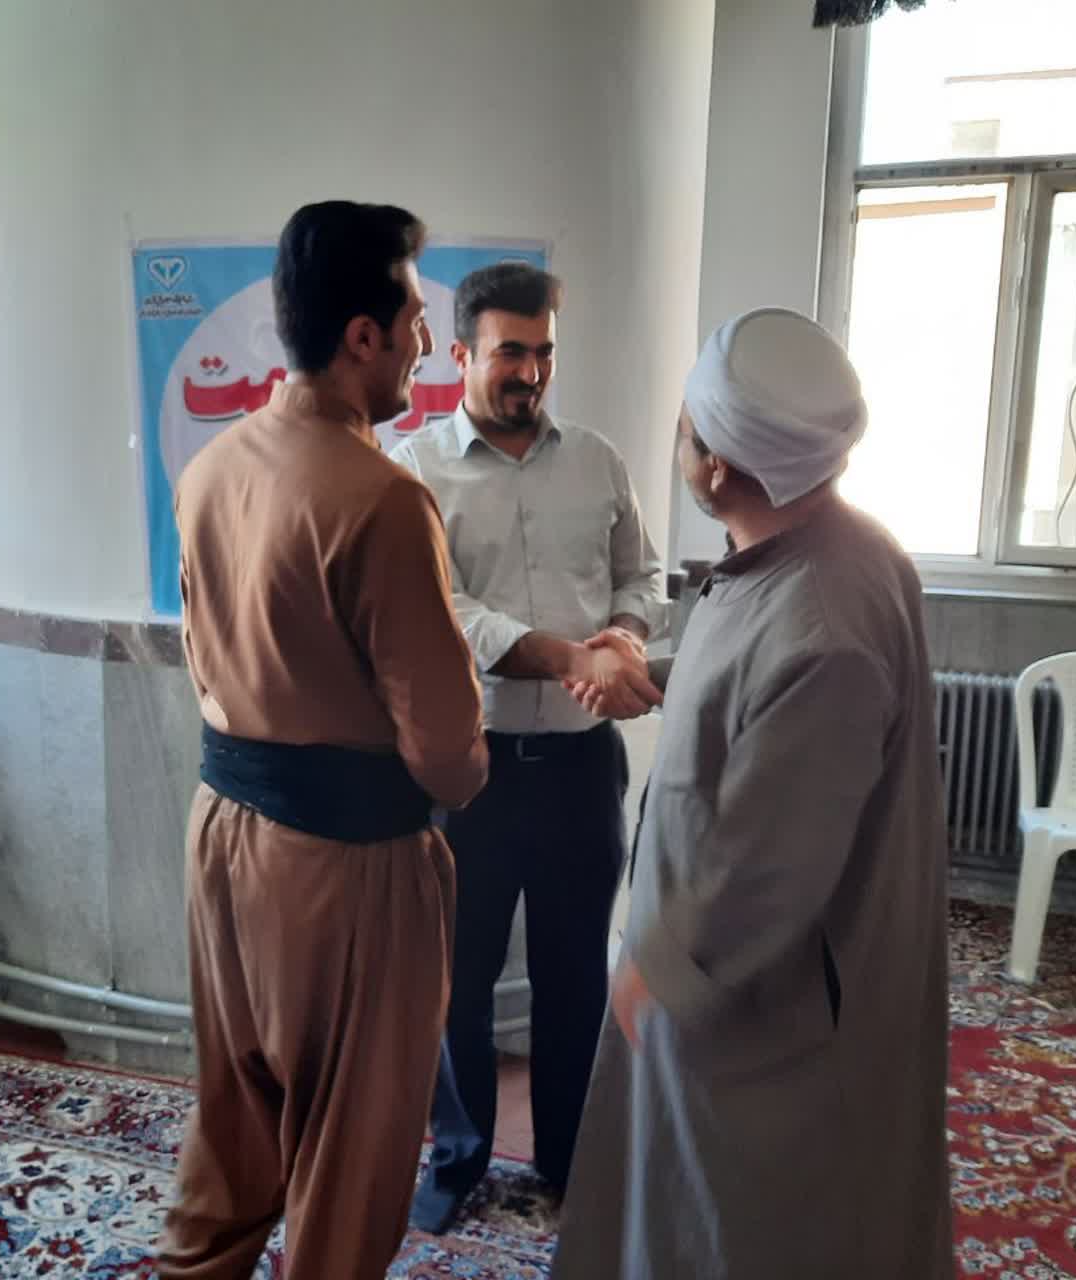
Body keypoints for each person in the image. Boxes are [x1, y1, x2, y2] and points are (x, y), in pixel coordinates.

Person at [553, 307, 953, 1278]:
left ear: (719, 467)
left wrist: (662, 967)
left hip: (767, 1003)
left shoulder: (825, 627)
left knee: (743, 1222)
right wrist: (656, 674)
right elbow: (754, 685)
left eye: (687, 423)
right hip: (739, 973)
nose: (676, 434)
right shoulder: (828, 547)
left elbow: (774, 862)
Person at [158, 201, 489, 1280]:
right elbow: (448, 755)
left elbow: (204, 655)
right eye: (415, 319)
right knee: (351, 1162)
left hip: (222, 836)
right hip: (346, 870)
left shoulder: (212, 467)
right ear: (362, 335)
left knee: (235, 1125)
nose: (426, 343)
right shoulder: (382, 498)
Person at [390, 262, 666, 1235]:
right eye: (511, 351)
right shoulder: (414, 472)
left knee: (575, 979)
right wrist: (564, 657)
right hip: (470, 775)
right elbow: (441, 610)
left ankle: (565, 1161)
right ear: (461, 353)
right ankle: (458, 1160)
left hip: (582, 771)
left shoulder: (597, 460)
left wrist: (620, 640)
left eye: (544, 351)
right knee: (454, 986)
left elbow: (641, 574)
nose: (531, 372)